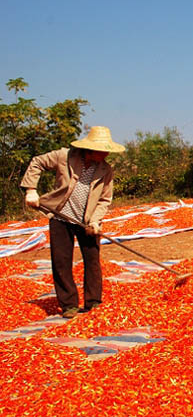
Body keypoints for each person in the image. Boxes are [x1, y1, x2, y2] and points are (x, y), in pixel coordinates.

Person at [20, 126, 126, 319]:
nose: (106, 154)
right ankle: (69, 304)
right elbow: (37, 162)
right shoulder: (65, 156)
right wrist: (30, 189)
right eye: (102, 150)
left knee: (92, 260)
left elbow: (104, 199)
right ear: (90, 149)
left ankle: (93, 301)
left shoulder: (105, 170)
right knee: (61, 261)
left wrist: (95, 221)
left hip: (86, 221)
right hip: (61, 216)